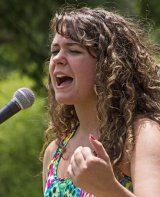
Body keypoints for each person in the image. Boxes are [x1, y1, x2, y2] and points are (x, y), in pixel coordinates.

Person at [41, 6, 160, 197]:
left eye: (73, 50)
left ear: (109, 66)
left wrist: (108, 189)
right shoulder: (54, 152)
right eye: (55, 51)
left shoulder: (140, 136)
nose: (58, 60)